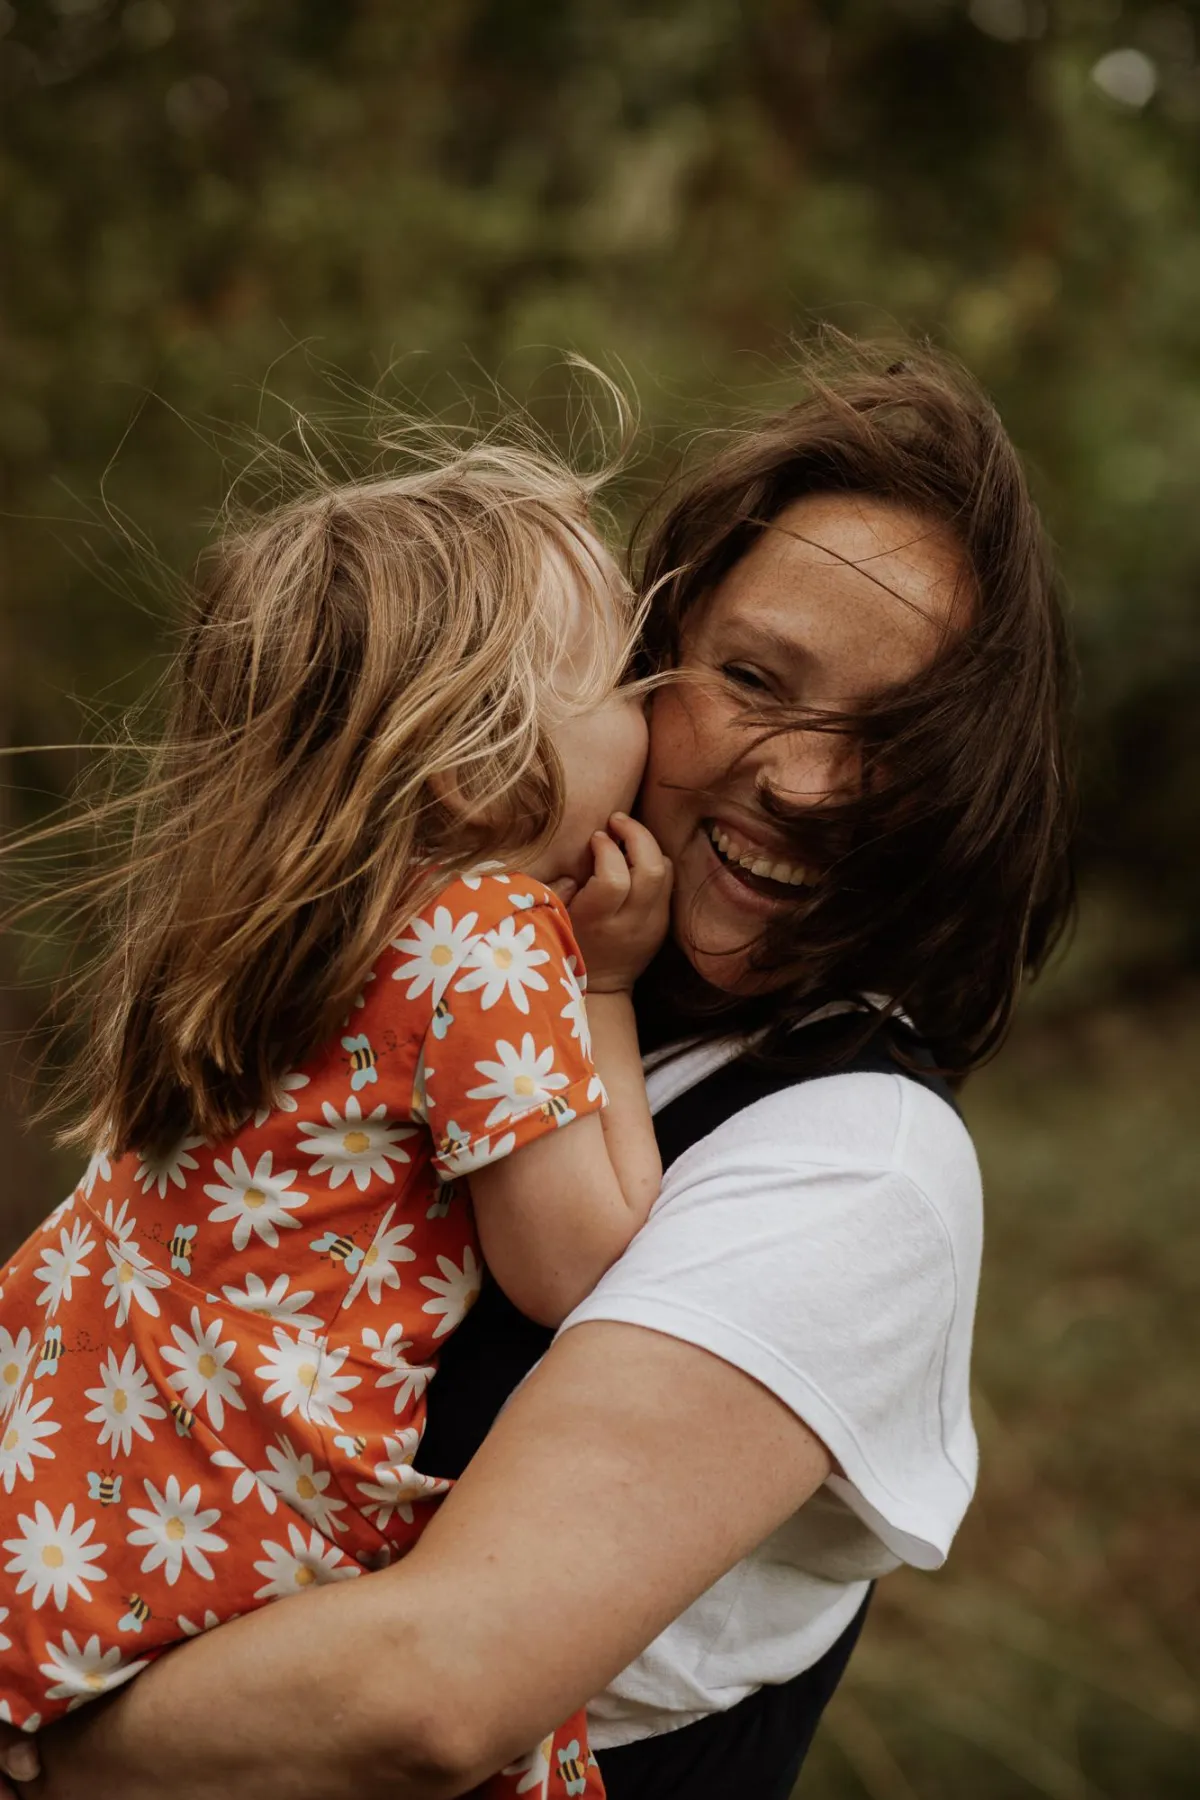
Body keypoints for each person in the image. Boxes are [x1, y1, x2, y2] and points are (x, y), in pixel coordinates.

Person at [0, 343, 1073, 1800]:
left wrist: (40, 1759)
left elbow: (437, 1697)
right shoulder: (432, 959)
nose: (806, 781)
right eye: (750, 678)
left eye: (894, 742)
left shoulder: (858, 1160)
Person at [0, 442, 677, 1797]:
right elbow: (581, 1269)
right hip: (250, 1505)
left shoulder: (277, 921)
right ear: (478, 773)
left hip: (83, 1475)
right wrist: (604, 984)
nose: (651, 712)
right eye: (614, 681)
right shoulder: (491, 934)